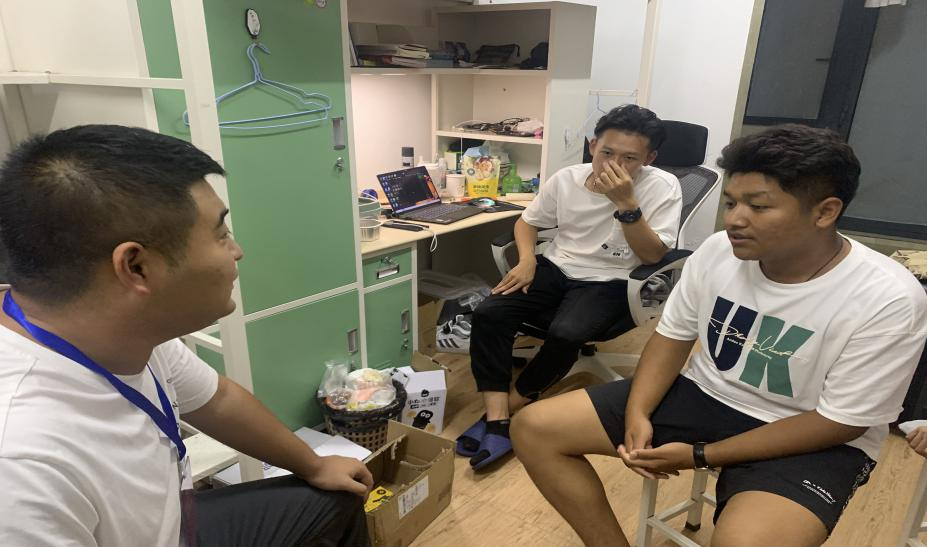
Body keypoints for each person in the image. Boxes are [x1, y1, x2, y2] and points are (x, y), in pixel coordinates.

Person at [511, 124, 927, 546]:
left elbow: (840, 423)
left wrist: (699, 455)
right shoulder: (716, 252)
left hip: (810, 432)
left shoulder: (888, 297)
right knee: (534, 428)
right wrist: (637, 412)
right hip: (707, 394)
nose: (734, 220)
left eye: (758, 207)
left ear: (825, 212)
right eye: (731, 202)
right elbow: (671, 338)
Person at [0, 125, 372, 546]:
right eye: (221, 234)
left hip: (175, 522)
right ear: (136, 267)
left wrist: (315, 465)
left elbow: (218, 400)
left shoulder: (124, 333)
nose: (236, 251)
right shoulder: (23, 467)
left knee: (337, 498)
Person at [459, 105, 683, 471]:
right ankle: (497, 417)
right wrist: (527, 260)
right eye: (607, 152)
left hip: (614, 278)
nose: (614, 164)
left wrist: (626, 203)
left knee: (567, 332)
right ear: (593, 145)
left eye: (629, 158)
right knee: (490, 312)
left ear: (649, 158)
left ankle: (512, 406)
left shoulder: (662, 187)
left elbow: (651, 255)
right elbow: (527, 222)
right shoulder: (567, 179)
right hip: (557, 265)